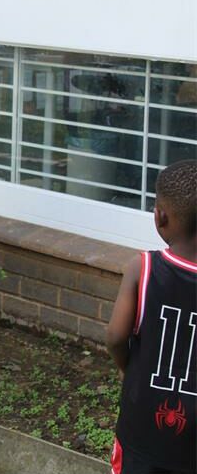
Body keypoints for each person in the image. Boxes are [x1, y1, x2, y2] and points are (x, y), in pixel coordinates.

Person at [106, 159, 196, 474]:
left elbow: (116, 336)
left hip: (142, 425)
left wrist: (127, 368)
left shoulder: (142, 269)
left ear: (161, 217)